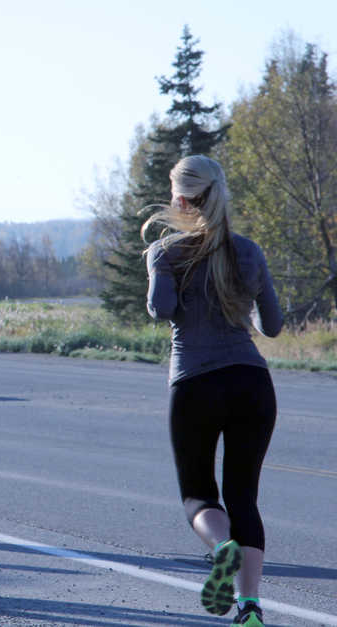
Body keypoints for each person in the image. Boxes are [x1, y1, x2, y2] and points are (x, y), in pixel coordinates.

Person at [144, 155, 282, 627]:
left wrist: (157, 267)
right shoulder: (249, 251)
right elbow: (274, 326)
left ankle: (221, 548)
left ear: (181, 198)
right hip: (251, 382)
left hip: (195, 384)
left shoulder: (167, 252)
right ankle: (249, 609)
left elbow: (161, 310)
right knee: (244, 497)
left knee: (198, 495)